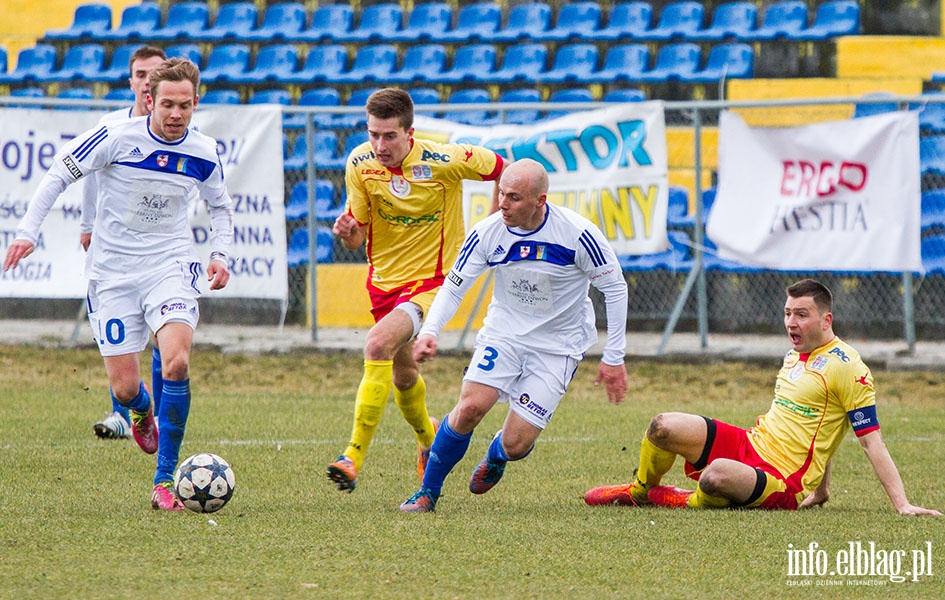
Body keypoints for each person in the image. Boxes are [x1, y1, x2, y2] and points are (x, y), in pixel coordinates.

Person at [3, 58, 234, 511]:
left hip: (169, 266)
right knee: (126, 388)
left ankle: (165, 480)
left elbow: (221, 206)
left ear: (196, 102)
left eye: (184, 106)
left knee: (178, 363)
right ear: (150, 99)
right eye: (167, 104)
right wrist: (29, 232)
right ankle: (141, 410)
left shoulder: (204, 151)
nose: (175, 114)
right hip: (111, 275)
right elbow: (58, 174)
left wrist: (221, 255)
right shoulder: (115, 136)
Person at [585, 278, 942, 516]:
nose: (791, 323)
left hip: (783, 481)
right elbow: (818, 428)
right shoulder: (792, 354)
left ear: (826, 319)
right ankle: (641, 491)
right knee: (662, 425)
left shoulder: (849, 367)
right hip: (749, 445)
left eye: (801, 315)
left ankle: (680, 499)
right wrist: (824, 490)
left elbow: (871, 442)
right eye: (788, 313)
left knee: (715, 476)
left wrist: (903, 504)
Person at [399, 158, 630, 513]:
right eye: (501, 194)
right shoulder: (488, 232)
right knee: (470, 408)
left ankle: (498, 453)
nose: (503, 204)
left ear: (541, 201)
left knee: (518, 444)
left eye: (515, 198)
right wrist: (430, 331)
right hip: (504, 335)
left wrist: (613, 357)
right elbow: (455, 287)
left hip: (558, 347)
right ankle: (427, 492)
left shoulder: (577, 234)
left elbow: (615, 289)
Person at [327, 88, 505, 493]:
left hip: (434, 284)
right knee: (405, 377)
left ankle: (352, 457)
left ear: (410, 132)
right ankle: (429, 439)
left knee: (376, 346)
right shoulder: (359, 163)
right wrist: (348, 233)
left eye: (389, 136)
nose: (379, 145)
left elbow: (504, 170)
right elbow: (357, 237)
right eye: (373, 134)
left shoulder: (447, 159)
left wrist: (492, 225)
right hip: (383, 285)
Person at [83, 45, 168, 441]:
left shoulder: (178, 130)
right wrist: (88, 225)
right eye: (140, 75)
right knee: (121, 332)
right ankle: (126, 411)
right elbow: (90, 176)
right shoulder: (112, 126)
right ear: (131, 80)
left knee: (161, 333)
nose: (147, 82)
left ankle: (159, 415)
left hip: (158, 251)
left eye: (155, 74)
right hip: (116, 249)